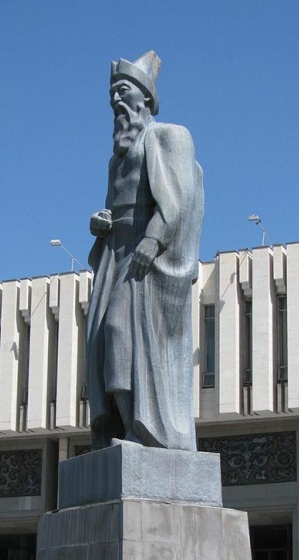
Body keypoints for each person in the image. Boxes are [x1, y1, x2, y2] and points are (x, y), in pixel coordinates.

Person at [87, 51, 204, 450]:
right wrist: (100, 225)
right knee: (103, 341)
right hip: (115, 255)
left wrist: (153, 240)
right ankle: (121, 429)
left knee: (121, 330)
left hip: (146, 258)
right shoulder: (115, 161)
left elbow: (182, 199)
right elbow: (114, 205)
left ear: (146, 98)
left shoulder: (170, 136)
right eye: (111, 97)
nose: (116, 103)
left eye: (122, 92)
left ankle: (146, 430)